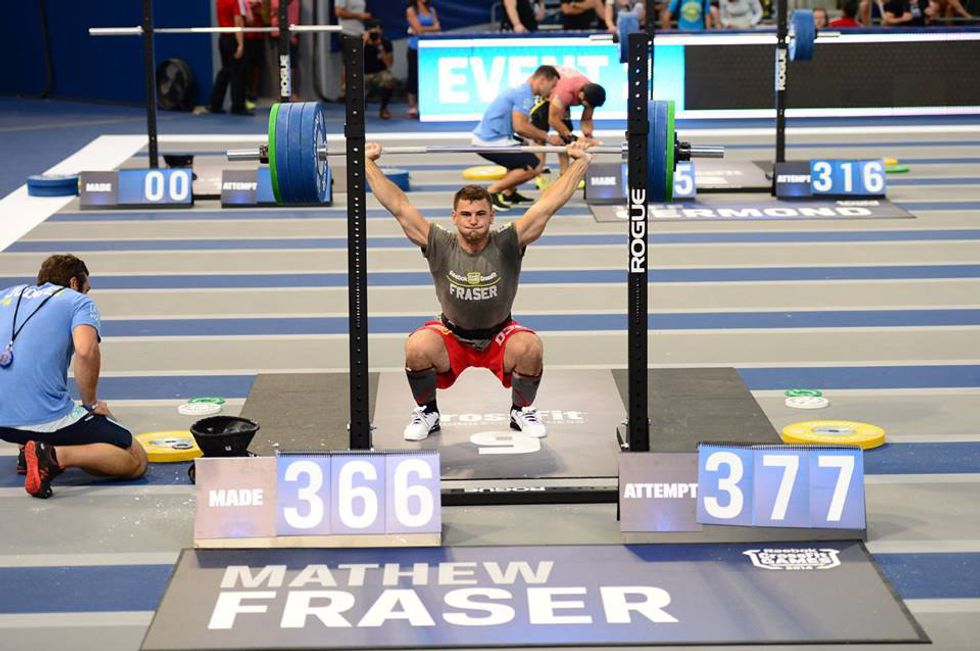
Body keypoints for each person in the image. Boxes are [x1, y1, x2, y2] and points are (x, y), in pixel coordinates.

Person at [364, 141, 596, 442]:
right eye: (466, 214)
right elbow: (399, 206)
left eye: (480, 214)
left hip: (500, 335)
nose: (473, 220)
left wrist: (580, 162)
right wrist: (366, 162)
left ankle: (521, 411)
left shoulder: (508, 241)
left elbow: (547, 205)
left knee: (530, 348)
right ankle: (427, 412)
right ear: (454, 217)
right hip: (452, 335)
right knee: (417, 347)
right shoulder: (439, 242)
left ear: (491, 216)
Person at [0, 255, 147, 499]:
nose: (87, 294)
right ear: (74, 283)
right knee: (137, 459)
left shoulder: (5, 295)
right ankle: (51, 455)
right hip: (45, 419)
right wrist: (91, 404)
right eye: (86, 288)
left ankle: (27, 449)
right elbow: (86, 351)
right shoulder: (78, 302)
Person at [471, 65, 561, 212]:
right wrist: (548, 138)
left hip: (495, 138)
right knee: (534, 166)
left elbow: (519, 127)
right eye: (552, 87)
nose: (552, 91)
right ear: (542, 81)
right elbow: (520, 126)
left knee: (522, 150)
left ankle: (509, 193)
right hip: (490, 141)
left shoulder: (522, 91)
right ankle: (491, 192)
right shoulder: (524, 94)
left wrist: (532, 139)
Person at [529, 67, 606, 176]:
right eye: (587, 106)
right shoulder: (564, 94)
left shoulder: (592, 93)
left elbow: (587, 119)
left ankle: (564, 173)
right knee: (540, 134)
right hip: (546, 94)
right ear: (581, 95)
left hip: (562, 92)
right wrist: (573, 138)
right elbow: (553, 120)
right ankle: (538, 171)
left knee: (565, 137)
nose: (589, 108)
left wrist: (588, 137)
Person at [208, 0, 252, 115]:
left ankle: (215, 104)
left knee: (225, 70)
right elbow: (238, 22)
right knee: (238, 73)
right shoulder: (235, 2)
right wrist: (240, 44)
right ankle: (238, 106)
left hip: (223, 39)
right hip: (233, 39)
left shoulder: (219, 1)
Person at [406, 0, 442, 119]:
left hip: (429, 49)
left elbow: (438, 28)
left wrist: (425, 29)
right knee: (413, 76)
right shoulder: (411, 10)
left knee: (429, 76)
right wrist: (432, 28)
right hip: (414, 48)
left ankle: (427, 104)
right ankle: (412, 106)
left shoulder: (432, 10)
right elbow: (418, 29)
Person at [335, 0, 372, 98]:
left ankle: (355, 91)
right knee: (348, 63)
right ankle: (345, 91)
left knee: (357, 63)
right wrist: (359, 16)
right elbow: (338, 12)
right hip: (348, 32)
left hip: (359, 32)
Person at [363, 20, 396, 120]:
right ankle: (359, 107)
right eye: (373, 31)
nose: (375, 34)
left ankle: (383, 109)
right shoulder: (360, 41)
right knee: (352, 82)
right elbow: (353, 59)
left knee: (389, 79)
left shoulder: (386, 43)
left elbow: (389, 64)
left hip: (379, 73)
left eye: (378, 30)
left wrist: (380, 46)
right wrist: (364, 42)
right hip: (362, 74)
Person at [271, 0, 302, 101]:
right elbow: (278, 9)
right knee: (283, 62)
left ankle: (291, 93)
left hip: (293, 30)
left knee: (293, 63)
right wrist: (286, 33)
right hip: (281, 31)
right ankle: (284, 93)